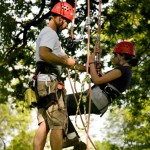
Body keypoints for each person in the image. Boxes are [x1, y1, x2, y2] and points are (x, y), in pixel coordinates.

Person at [33, 2, 86, 150]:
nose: (67, 25)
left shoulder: (47, 34)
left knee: (44, 123)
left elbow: (66, 59)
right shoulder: (51, 34)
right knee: (57, 123)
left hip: (43, 81)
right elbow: (44, 53)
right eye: (67, 21)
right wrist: (64, 63)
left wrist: (85, 68)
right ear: (60, 18)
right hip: (50, 81)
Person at [65, 41, 139, 147]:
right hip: (100, 102)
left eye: (115, 55)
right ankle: (73, 138)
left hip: (96, 98)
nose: (113, 58)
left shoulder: (123, 70)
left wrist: (91, 62)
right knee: (63, 109)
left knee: (59, 101)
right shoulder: (126, 72)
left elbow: (98, 80)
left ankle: (71, 137)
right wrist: (96, 65)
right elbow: (102, 79)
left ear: (122, 56)